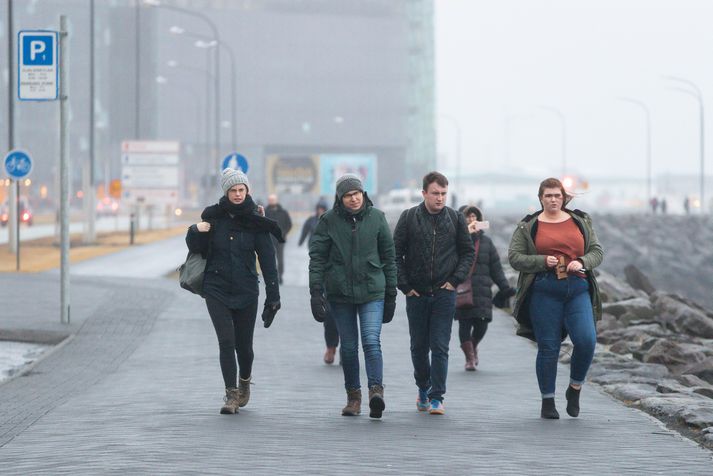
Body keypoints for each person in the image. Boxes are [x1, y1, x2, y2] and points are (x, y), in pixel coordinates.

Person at [186, 168, 283, 415]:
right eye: (233, 190)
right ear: (226, 192)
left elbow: (268, 261)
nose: (238, 194)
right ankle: (231, 394)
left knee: (244, 347)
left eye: (242, 190)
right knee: (226, 341)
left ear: (247, 191)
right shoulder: (213, 217)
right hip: (216, 288)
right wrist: (195, 231)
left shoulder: (256, 221)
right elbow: (196, 248)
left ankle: (245, 381)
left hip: (246, 290)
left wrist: (273, 297)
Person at [508, 177, 604, 419]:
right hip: (544, 290)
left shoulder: (580, 220)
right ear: (540, 198)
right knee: (549, 348)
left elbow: (597, 251)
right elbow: (514, 257)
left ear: (564, 198)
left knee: (586, 340)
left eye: (557, 195)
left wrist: (581, 261)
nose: (553, 199)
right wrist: (541, 261)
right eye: (548, 195)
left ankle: (575, 387)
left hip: (578, 289)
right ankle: (547, 402)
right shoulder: (528, 226)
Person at [308, 173, 397, 418]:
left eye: (356, 193)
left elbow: (389, 258)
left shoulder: (377, 218)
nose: (353, 199)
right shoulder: (328, 221)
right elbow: (317, 258)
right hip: (340, 293)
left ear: (363, 193)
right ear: (340, 198)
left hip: (372, 291)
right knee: (348, 347)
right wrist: (316, 292)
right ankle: (353, 397)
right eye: (347, 195)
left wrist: (391, 295)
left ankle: (375, 392)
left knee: (371, 341)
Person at [393, 171, 474, 415]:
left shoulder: (456, 219)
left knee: (440, 346)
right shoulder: (408, 218)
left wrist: (454, 281)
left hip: (444, 293)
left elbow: (467, 253)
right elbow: (394, 254)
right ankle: (423, 387)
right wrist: (405, 286)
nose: (440, 198)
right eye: (435, 193)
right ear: (424, 193)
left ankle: (437, 396)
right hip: (416, 293)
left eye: (443, 194)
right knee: (418, 346)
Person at [455, 205, 515, 371]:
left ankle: (473, 348)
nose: (471, 220)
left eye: (474, 217)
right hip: (463, 291)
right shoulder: (456, 241)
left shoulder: (487, 242)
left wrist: (505, 288)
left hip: (482, 291)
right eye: (468, 217)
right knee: (464, 325)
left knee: (482, 325)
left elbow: (496, 269)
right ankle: (469, 358)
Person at [299, 199, 340, 364]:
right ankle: (331, 347)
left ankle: (347, 351)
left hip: (350, 279)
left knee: (349, 319)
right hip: (328, 276)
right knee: (329, 315)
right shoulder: (318, 222)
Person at [265, 194, 292, 284]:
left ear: (276, 200)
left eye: (273, 200)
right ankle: (271, 276)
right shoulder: (265, 212)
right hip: (268, 239)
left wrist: (284, 233)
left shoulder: (283, 212)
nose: (271, 201)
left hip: (280, 238)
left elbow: (289, 224)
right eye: (270, 200)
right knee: (269, 258)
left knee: (280, 259)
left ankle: (280, 275)